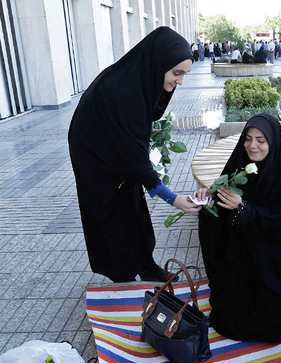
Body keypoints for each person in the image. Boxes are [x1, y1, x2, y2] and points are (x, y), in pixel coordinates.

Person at [68, 27, 200, 283]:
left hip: (114, 152)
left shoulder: (138, 79)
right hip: (96, 161)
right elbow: (131, 155)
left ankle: (146, 266)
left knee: (133, 209)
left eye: (184, 74)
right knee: (113, 218)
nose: (180, 81)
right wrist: (172, 198)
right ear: (157, 63)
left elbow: (138, 132)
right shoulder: (122, 92)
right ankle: (123, 281)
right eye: (177, 73)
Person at [195, 113, 281, 342]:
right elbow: (218, 212)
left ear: (272, 143)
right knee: (227, 314)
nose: (252, 145)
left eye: (261, 140)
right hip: (239, 259)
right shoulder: (239, 166)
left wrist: (244, 209)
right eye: (248, 138)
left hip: (271, 263)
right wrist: (207, 202)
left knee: (270, 323)